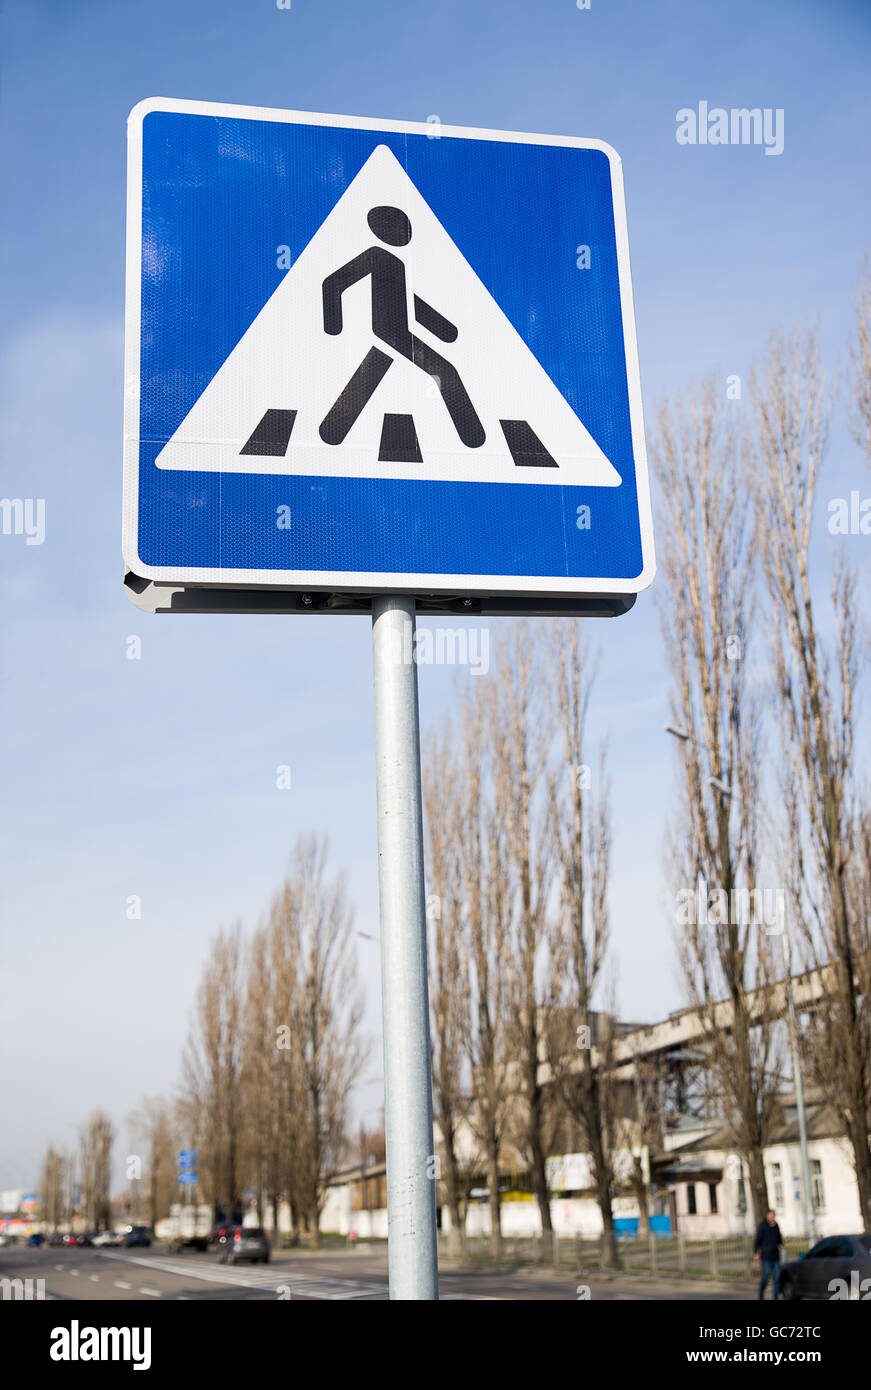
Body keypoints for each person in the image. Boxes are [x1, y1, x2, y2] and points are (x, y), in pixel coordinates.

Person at [319, 204, 485, 449]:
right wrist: (334, 324)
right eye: (400, 228)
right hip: (390, 333)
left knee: (369, 376)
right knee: (445, 371)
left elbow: (409, 303)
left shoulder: (397, 263)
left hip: (394, 333)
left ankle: (332, 432)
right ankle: (473, 437)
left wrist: (445, 330)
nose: (405, 235)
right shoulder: (376, 255)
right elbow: (334, 284)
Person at [753, 1209, 784, 1300]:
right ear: (767, 1216)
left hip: (776, 1257)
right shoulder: (762, 1226)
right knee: (765, 1278)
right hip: (766, 1257)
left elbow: (778, 1237)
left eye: (773, 1216)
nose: (772, 1217)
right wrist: (756, 1252)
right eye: (770, 1216)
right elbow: (757, 1240)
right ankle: (761, 1295)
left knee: (776, 1279)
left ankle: (775, 1297)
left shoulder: (776, 1226)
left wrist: (782, 1243)